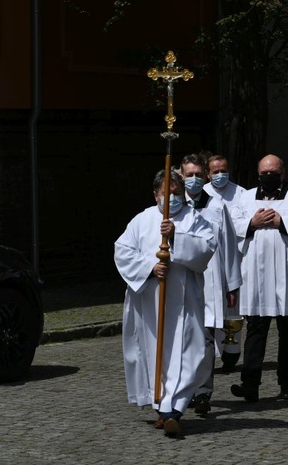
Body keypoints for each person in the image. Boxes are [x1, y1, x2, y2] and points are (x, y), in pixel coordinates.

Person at [114, 169, 217, 437]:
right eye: (166, 192)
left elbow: (206, 249)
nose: (171, 197)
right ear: (156, 194)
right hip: (150, 302)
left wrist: (175, 237)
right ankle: (162, 407)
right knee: (152, 353)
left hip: (184, 302)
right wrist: (150, 268)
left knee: (188, 353)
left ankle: (175, 409)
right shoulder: (142, 220)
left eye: (176, 192)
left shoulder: (194, 219)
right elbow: (122, 251)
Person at [230, 154, 288, 402]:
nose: (268, 177)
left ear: (282, 174)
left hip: (287, 274)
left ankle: (286, 384)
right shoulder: (246, 197)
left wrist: (283, 222)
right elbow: (231, 225)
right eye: (264, 173)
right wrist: (252, 222)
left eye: (273, 173)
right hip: (256, 275)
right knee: (255, 331)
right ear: (258, 174)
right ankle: (250, 385)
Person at [179, 154, 241, 416]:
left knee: (205, 339)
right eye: (188, 175)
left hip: (209, 281)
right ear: (181, 176)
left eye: (197, 174)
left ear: (204, 176)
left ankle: (203, 392)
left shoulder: (216, 208)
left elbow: (228, 248)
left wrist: (232, 285)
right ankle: (183, 390)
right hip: (179, 283)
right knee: (181, 339)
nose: (193, 179)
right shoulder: (173, 207)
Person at [203, 154, 247, 371]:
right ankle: (211, 354)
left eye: (223, 170)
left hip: (235, 258)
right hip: (210, 262)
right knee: (210, 309)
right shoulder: (203, 195)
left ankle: (231, 353)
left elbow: (247, 222)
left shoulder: (241, 193)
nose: (220, 175)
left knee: (232, 308)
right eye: (215, 171)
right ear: (207, 173)